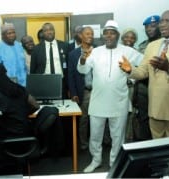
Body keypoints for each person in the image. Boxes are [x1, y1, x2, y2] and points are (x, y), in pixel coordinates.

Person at [119, 10, 169, 139]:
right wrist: (130, 70)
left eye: (168, 21)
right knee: (157, 150)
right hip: (154, 110)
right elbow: (143, 72)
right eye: (161, 21)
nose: (162, 24)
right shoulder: (152, 46)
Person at [77, 20, 143, 173]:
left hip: (118, 101)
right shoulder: (96, 51)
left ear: (117, 35)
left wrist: (132, 75)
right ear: (103, 35)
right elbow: (82, 70)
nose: (108, 36)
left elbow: (144, 63)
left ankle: (114, 162)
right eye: (106, 33)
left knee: (117, 136)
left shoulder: (127, 51)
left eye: (112, 33)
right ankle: (96, 160)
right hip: (98, 101)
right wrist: (82, 59)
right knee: (95, 135)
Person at [132, 15, 162, 141]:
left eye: (153, 26)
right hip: (143, 87)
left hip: (159, 88)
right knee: (143, 119)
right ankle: (146, 147)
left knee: (159, 119)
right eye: (147, 27)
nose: (149, 29)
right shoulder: (142, 45)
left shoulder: (166, 44)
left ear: (160, 26)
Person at [68, 26, 94, 150]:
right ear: (81, 36)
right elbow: (71, 75)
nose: (90, 36)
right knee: (83, 120)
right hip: (83, 92)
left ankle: (101, 141)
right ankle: (83, 143)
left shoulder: (98, 51)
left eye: (92, 34)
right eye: (87, 34)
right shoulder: (73, 54)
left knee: (98, 118)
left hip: (98, 91)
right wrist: (73, 93)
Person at [30, 22, 69, 98]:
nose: (49, 32)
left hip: (61, 82)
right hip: (43, 83)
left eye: (51, 29)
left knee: (63, 107)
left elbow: (69, 67)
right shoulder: (36, 48)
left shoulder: (65, 45)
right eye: (46, 30)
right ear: (42, 33)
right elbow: (33, 70)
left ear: (54, 31)